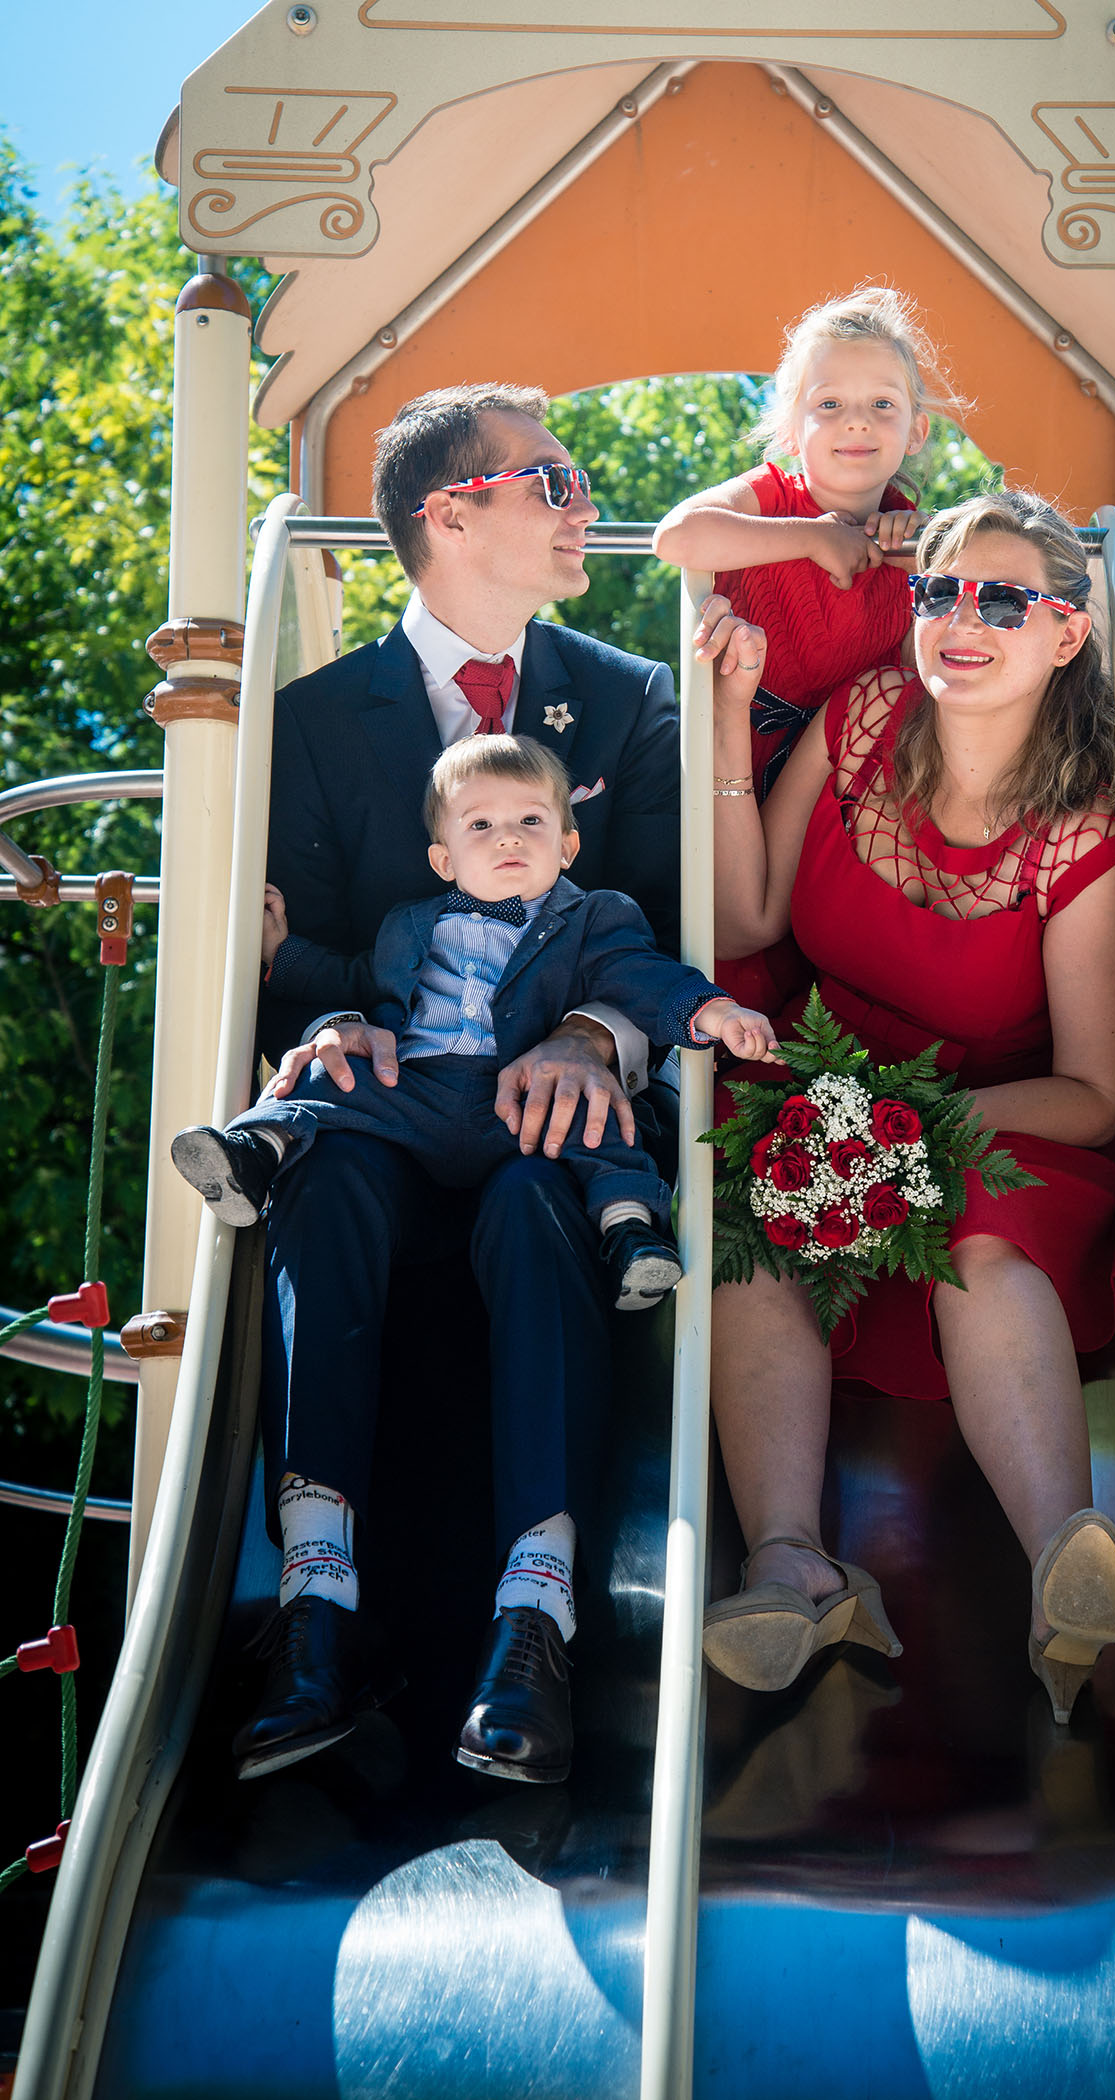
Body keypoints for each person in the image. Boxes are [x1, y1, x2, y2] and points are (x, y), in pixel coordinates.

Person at [237, 383, 684, 1787]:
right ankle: (314, 1612)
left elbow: (665, 922)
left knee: (538, 1203)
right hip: (389, 1107)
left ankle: (535, 1631)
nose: (583, 506)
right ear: (451, 513)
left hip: (537, 1130)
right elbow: (284, 945)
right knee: (323, 1186)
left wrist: (595, 1035)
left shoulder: (629, 697)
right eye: (553, 482)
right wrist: (330, 1021)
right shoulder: (307, 719)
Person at [697, 487, 1115, 1726]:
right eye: (939, 591)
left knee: (979, 1235)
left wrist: (914, 1130)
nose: (961, 619)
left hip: (1003, 1115)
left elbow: (1094, 1092)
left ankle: (1062, 1565)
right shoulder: (859, 720)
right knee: (747, 1234)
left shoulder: (1082, 829)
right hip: (818, 1082)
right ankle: (791, 1563)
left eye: (1002, 600)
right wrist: (730, 716)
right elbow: (745, 920)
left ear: (1065, 633)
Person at [174, 734, 775, 1307]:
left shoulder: (593, 917)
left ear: (568, 846)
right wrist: (282, 954)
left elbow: (643, 976)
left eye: (531, 820)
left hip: (516, 1100)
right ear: (444, 860)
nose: (508, 837)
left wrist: (716, 1012)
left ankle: (629, 1234)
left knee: (596, 1115)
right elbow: (353, 980)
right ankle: (254, 1155)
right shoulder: (408, 923)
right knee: (324, 1074)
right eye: (481, 825)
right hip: (413, 1090)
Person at [653, 285, 951, 1011]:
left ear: (916, 431)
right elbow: (677, 536)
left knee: (818, 953)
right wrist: (814, 536)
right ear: (791, 426)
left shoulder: (918, 538)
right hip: (741, 748)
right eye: (829, 404)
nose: (857, 421)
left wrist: (931, 548)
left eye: (882, 404)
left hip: (837, 783)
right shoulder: (774, 498)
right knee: (732, 946)